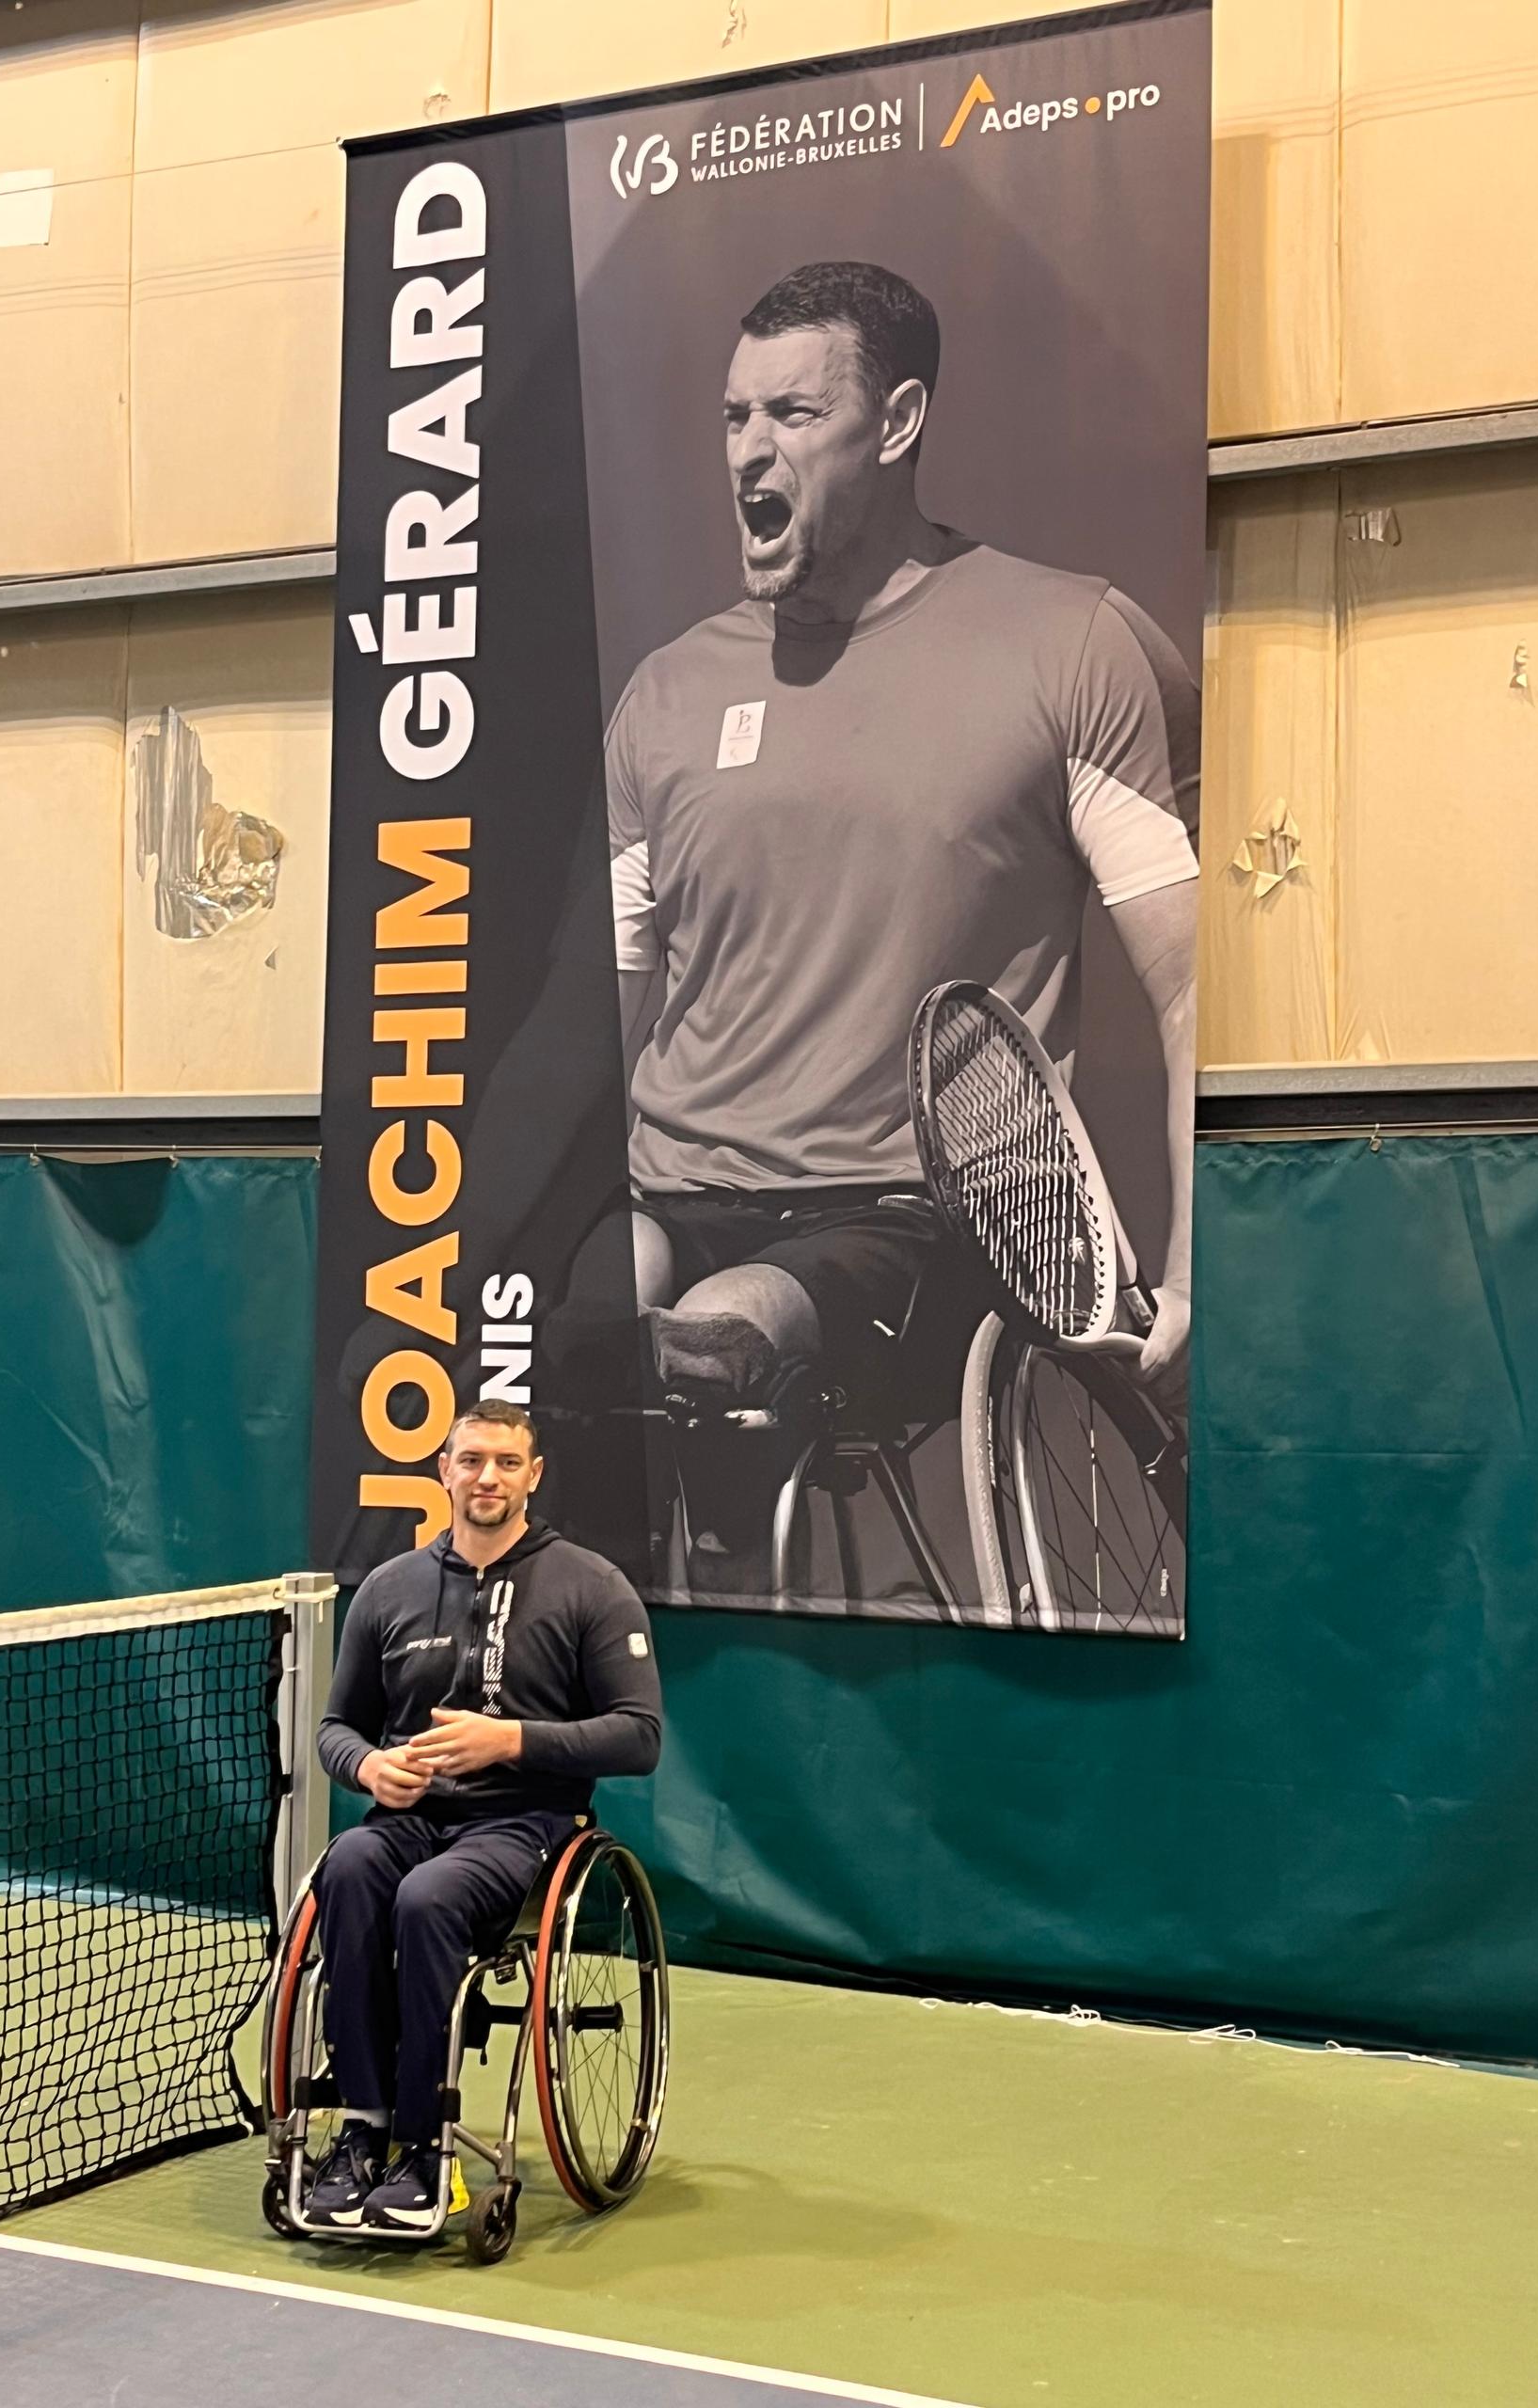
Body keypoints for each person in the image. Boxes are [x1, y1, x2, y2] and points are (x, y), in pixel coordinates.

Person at [608, 259, 1200, 1441]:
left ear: (898, 424)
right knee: (572, 1314)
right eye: (735, 416)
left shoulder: (1069, 642)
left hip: (913, 1210)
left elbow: (1191, 985)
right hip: (667, 1186)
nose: (748, 451)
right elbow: (602, 1013)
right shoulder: (665, 695)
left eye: (793, 413)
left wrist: (1191, 1267)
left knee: (723, 1332)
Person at [305, 1399, 661, 2231]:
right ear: (445, 1472)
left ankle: (428, 2150)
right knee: (348, 1868)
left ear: (533, 1476)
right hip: (408, 1821)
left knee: (430, 1897)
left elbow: (639, 1737)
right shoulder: (389, 1589)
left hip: (525, 1827)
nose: (487, 1477)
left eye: (506, 1463)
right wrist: (368, 1765)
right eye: (471, 1461)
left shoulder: (591, 1585)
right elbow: (335, 1727)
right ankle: (364, 2129)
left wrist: (511, 1743)